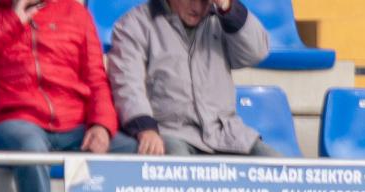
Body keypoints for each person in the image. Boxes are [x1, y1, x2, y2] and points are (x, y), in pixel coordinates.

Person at [0, 0, 135, 192]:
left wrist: (101, 125)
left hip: (72, 126)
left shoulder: (75, 12)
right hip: (11, 121)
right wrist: (12, 20)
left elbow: (96, 79)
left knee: (134, 151)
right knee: (31, 147)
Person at [108, 0, 275, 158]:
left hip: (226, 133)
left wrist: (228, 7)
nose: (198, 7)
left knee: (279, 167)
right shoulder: (134, 24)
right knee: (179, 166)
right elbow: (128, 85)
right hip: (169, 132)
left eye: (204, 0)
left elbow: (257, 52)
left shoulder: (220, 20)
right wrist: (145, 129)